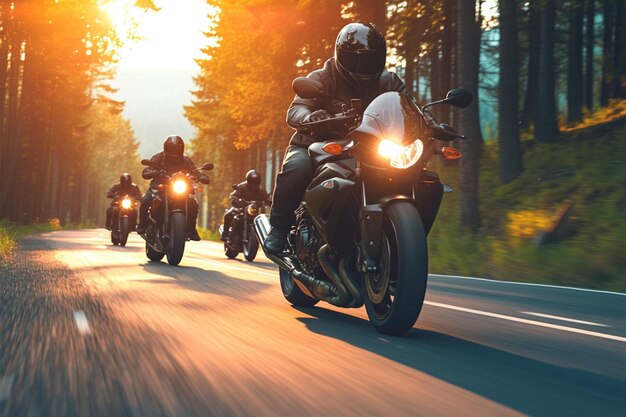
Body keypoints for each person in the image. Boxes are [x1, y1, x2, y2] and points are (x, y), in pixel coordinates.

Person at [264, 22, 407, 254]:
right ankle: (279, 228)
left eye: (371, 60)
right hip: (314, 145)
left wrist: (429, 122)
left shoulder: (389, 81)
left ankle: (393, 238)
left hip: (367, 147)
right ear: (341, 56)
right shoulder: (322, 77)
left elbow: (407, 108)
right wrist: (309, 118)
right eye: (357, 61)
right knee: (297, 168)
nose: (365, 67)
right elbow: (296, 109)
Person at [136, 135, 209, 241]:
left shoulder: (186, 160)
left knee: (193, 203)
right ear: (165, 148)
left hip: (179, 189)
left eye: (177, 149)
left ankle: (191, 228)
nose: (174, 152)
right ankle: (142, 224)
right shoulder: (158, 157)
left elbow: (195, 171)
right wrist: (155, 172)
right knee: (145, 199)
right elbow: (147, 171)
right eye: (171, 149)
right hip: (160, 187)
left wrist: (201, 176)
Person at [221, 169, 272, 241]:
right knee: (228, 214)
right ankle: (225, 234)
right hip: (241, 207)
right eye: (252, 181)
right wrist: (235, 199)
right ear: (248, 180)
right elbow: (233, 195)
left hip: (255, 210)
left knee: (265, 219)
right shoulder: (242, 186)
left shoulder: (261, 189)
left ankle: (265, 238)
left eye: (256, 181)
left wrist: (270, 202)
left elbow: (267, 198)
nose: (254, 183)